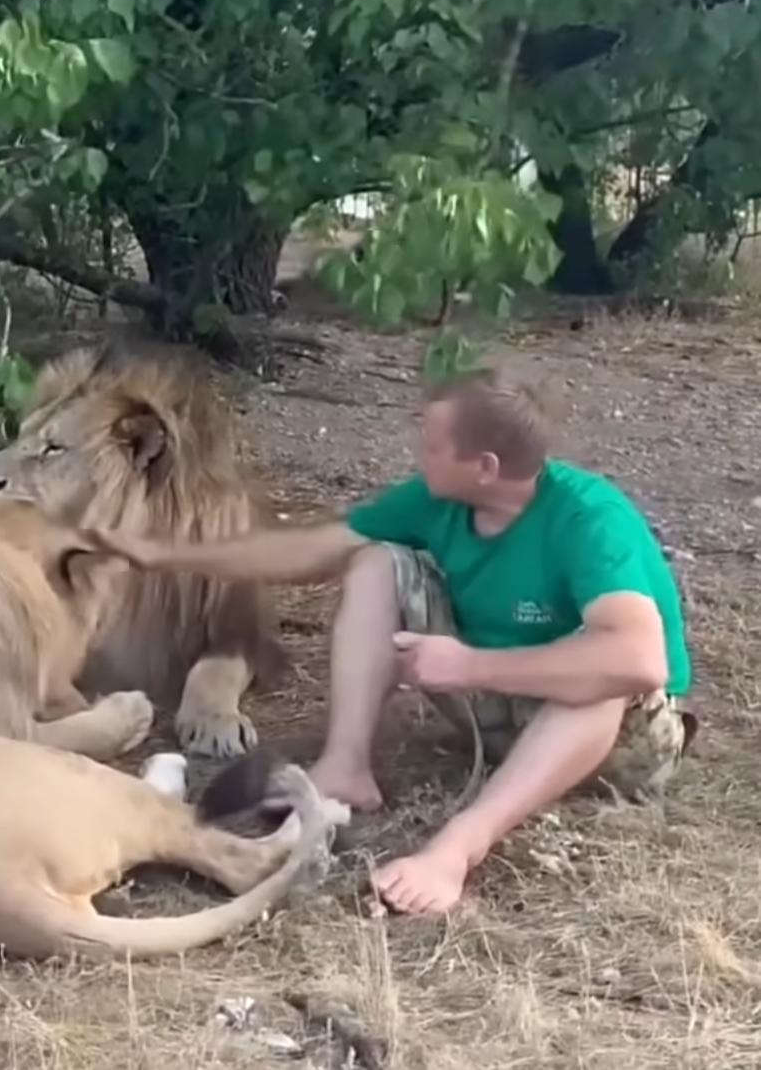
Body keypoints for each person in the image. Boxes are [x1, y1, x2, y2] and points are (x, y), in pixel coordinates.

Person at [91, 363, 695, 916]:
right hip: (500, 708)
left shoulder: (588, 517)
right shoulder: (440, 501)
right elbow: (312, 550)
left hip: (618, 741)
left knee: (602, 670)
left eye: (433, 445)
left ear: (485, 466)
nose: (418, 454)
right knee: (376, 562)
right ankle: (345, 766)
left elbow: (641, 661)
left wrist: (472, 666)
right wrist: (158, 553)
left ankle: (459, 847)